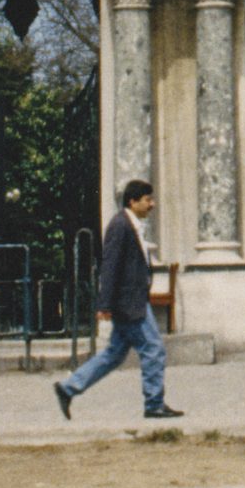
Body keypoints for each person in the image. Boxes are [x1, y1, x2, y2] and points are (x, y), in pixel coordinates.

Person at [53, 179, 183, 421]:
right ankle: (154, 404)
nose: (152, 204)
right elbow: (110, 266)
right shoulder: (120, 225)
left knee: (114, 354)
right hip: (130, 302)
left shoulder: (129, 224)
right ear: (133, 201)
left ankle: (68, 388)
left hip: (131, 299)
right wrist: (104, 304)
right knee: (154, 349)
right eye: (148, 200)